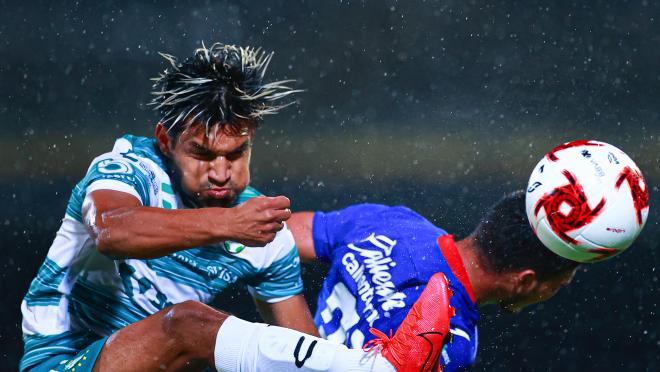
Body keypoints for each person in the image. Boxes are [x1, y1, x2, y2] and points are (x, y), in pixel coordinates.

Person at [20, 42, 458, 372]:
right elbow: (114, 232)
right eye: (203, 155)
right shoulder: (126, 170)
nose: (221, 172)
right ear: (165, 140)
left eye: (236, 153)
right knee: (186, 323)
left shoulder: (261, 232)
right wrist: (227, 224)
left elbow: (304, 354)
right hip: (61, 361)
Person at [287, 191, 581, 371]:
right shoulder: (451, 341)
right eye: (558, 284)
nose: (554, 292)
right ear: (526, 281)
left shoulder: (391, 221)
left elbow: (277, 235)